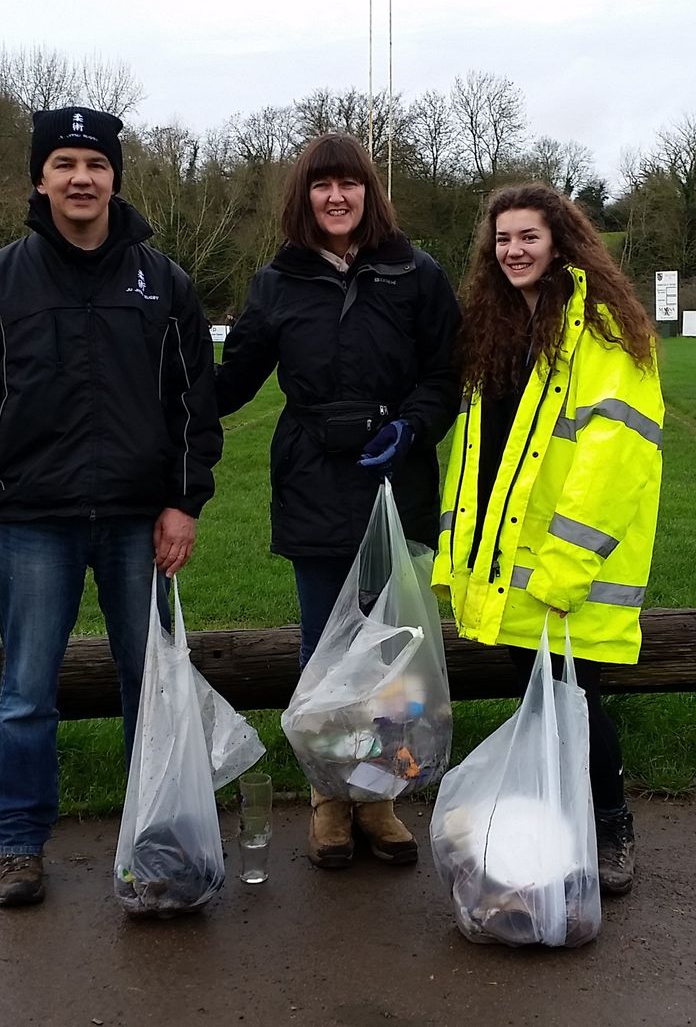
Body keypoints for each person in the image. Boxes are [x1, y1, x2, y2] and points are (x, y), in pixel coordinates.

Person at [0, 107, 222, 909]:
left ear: (114, 178)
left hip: (141, 521)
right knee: (27, 691)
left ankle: (157, 840)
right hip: (34, 521)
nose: (81, 178)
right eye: (64, 163)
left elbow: (195, 408)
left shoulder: (164, 284)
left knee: (150, 686)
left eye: (94, 164)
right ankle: (19, 844)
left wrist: (184, 502)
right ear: (40, 177)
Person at [215, 133, 460, 869]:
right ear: (305, 197)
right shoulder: (277, 282)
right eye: (322, 186)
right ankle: (329, 798)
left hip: (394, 483)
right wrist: (161, 380)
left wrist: (413, 427)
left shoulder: (416, 274)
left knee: (392, 655)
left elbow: (445, 375)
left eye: (348, 183)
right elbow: (234, 380)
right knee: (324, 651)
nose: (336, 197)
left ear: (368, 192)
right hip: (313, 484)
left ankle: (379, 794)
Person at [433, 182, 664, 896]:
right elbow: (478, 455)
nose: (513, 251)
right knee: (539, 707)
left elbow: (612, 454)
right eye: (502, 239)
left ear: (560, 240)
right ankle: (556, 830)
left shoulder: (597, 327)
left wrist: (569, 561)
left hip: (570, 566)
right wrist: (460, 558)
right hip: (508, 568)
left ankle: (611, 824)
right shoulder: (498, 325)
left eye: (528, 237)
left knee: (577, 703)